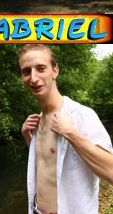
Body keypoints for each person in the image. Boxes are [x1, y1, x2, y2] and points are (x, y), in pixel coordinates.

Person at [18, 44, 113, 214]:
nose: (33, 78)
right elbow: (47, 163)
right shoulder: (37, 121)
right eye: (26, 71)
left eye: (41, 69)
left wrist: (70, 133)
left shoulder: (81, 115)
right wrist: (28, 137)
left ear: (55, 71)